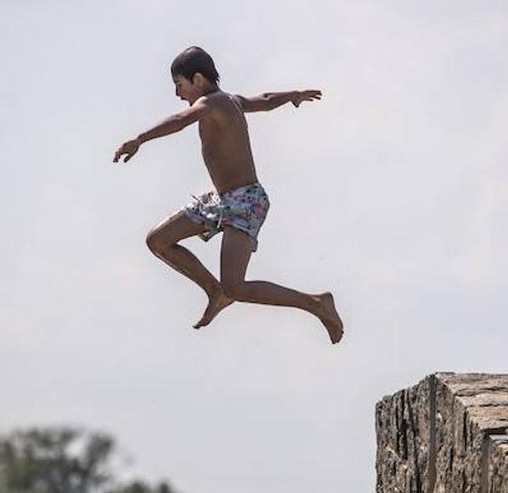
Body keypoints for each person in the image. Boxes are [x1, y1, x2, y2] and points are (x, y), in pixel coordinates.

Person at [114, 46, 344, 344]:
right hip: (220, 200)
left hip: (246, 201)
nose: (177, 93)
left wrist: (140, 139)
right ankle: (214, 291)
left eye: (179, 85)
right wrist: (293, 95)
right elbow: (262, 101)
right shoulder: (230, 101)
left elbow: (181, 119)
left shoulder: (211, 104)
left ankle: (316, 303)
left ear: (197, 79)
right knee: (157, 240)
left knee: (236, 286)